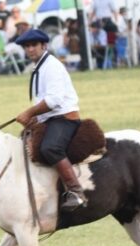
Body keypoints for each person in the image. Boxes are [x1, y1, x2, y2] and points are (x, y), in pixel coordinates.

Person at [14, 29, 85, 212]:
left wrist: (29, 113)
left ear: (43, 46)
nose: (30, 49)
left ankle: (76, 192)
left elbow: (54, 101)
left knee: (50, 148)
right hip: (50, 119)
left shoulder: (52, 66)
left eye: (33, 45)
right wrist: (34, 118)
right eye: (26, 46)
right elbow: (43, 100)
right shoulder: (39, 66)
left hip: (65, 118)